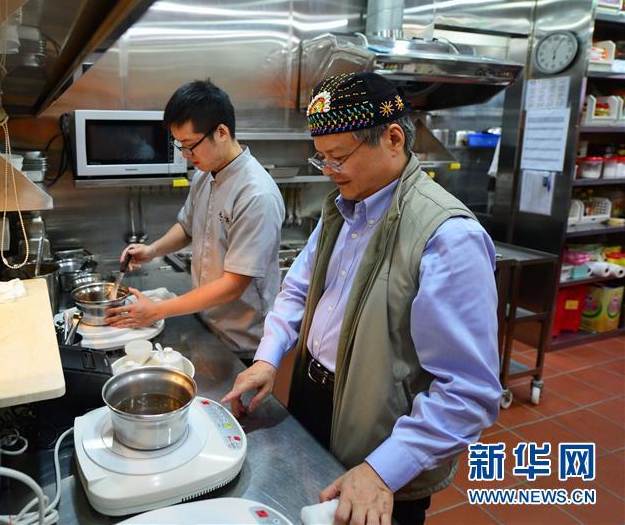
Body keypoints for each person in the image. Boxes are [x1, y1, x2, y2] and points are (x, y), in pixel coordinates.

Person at [221, 72, 501, 525]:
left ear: (392, 138)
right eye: (321, 159)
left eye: (338, 157)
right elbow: (299, 286)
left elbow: (469, 392)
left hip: (385, 434)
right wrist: (268, 358)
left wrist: (381, 470)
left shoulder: (448, 236)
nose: (330, 171)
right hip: (314, 398)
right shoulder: (344, 208)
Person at [104, 80, 285, 364]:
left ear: (222, 132)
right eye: (180, 146)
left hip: (244, 341)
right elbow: (188, 226)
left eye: (190, 146)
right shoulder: (205, 173)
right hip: (207, 322)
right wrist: (152, 250)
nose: (185, 155)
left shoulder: (256, 194)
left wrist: (157, 310)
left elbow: (233, 285)